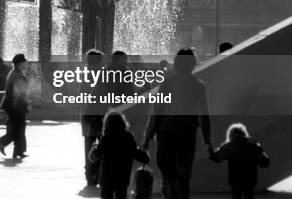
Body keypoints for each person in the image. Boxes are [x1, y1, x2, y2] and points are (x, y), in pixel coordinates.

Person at [142, 48, 212, 199]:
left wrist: (147, 138)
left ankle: (169, 195)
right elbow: (204, 116)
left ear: (177, 63)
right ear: (193, 64)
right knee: (184, 176)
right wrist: (208, 142)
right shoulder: (198, 86)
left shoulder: (167, 82)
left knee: (168, 175)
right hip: (187, 134)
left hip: (166, 134)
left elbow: (157, 111)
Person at [88, 111, 150, 199]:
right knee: (121, 195)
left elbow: (94, 156)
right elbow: (137, 154)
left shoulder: (106, 138)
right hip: (123, 176)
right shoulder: (128, 137)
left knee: (106, 196)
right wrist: (145, 157)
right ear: (122, 123)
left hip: (107, 178)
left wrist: (94, 148)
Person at [209, 123, 270, 199]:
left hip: (235, 178)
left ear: (230, 134)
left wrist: (209, 149)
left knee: (236, 196)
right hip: (250, 178)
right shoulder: (253, 144)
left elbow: (216, 158)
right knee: (249, 195)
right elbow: (265, 162)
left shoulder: (229, 145)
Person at [0, 53, 30, 160]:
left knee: (20, 127)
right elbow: (17, 92)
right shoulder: (15, 74)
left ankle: (18, 151)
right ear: (19, 64)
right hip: (14, 104)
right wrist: (23, 104)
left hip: (16, 104)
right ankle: (2, 142)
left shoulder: (18, 73)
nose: (25, 64)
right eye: (24, 62)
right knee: (17, 128)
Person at [80, 49, 106, 188]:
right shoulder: (101, 75)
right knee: (103, 147)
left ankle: (90, 177)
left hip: (87, 117)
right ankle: (100, 176)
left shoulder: (85, 75)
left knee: (89, 147)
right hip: (98, 117)